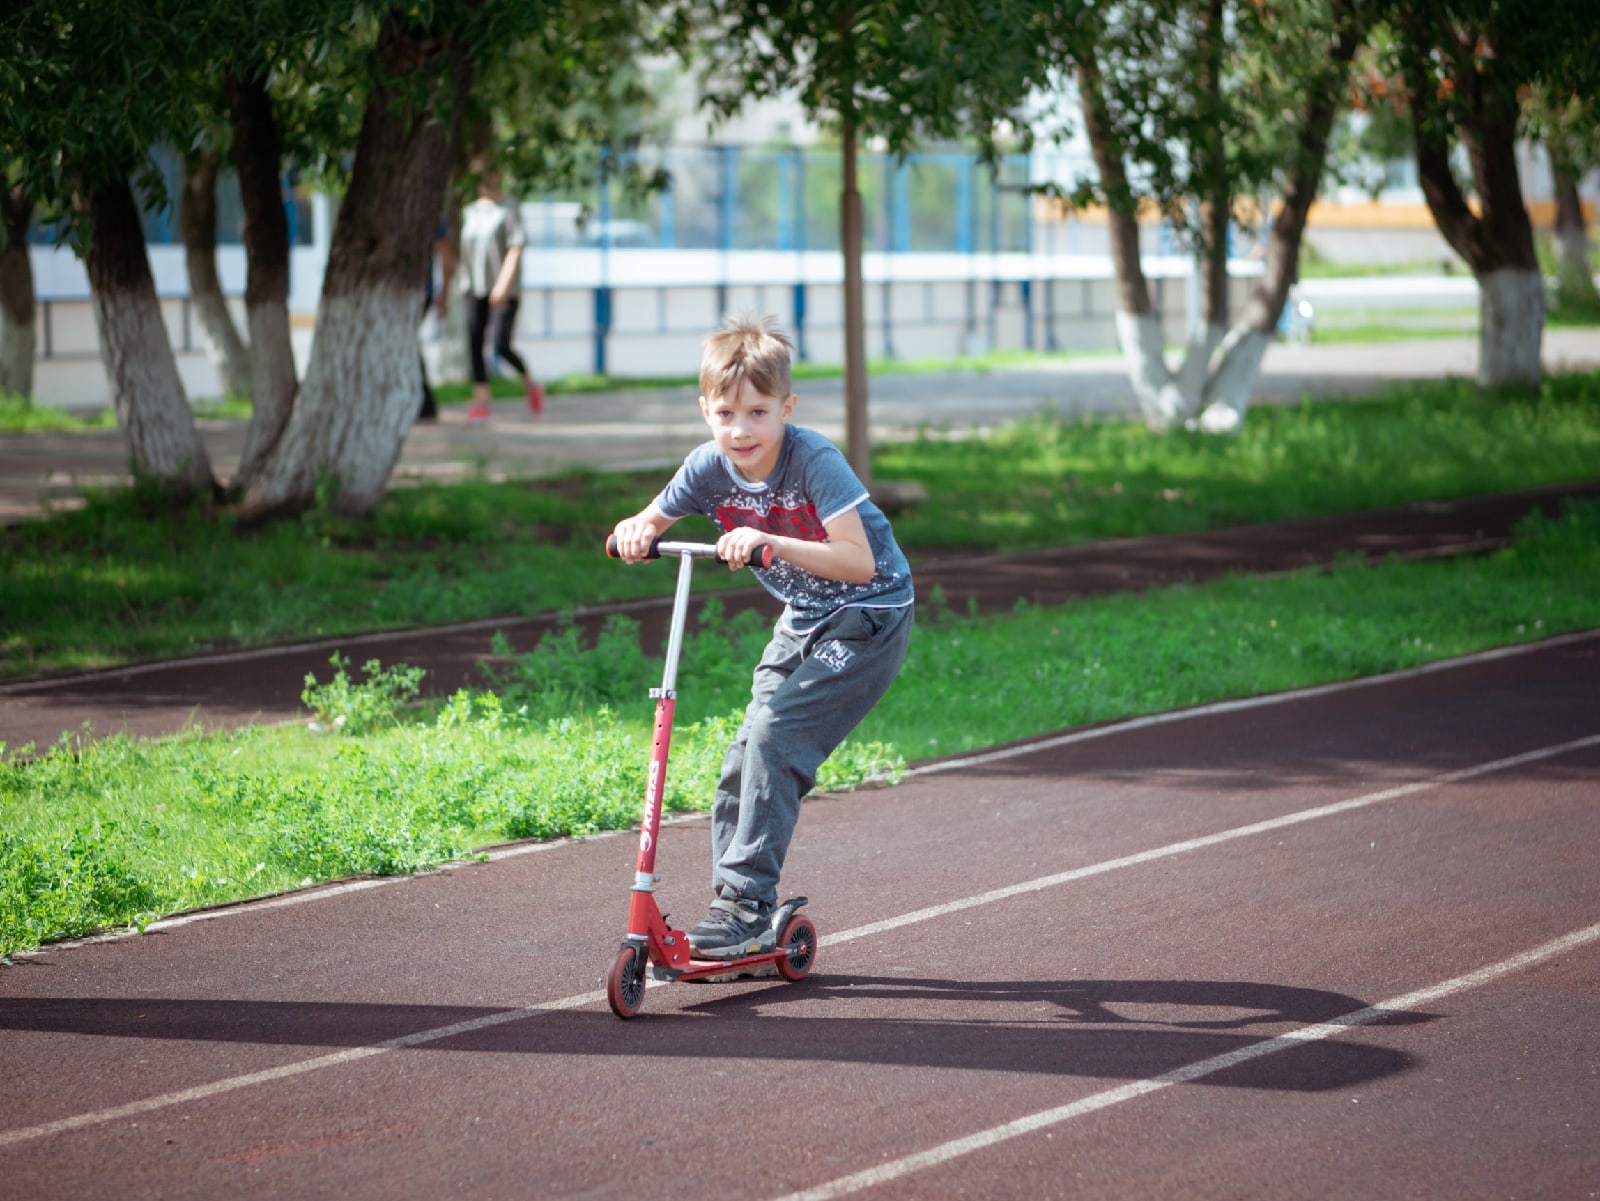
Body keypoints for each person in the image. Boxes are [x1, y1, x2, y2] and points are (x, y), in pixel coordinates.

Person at [609, 315, 914, 960]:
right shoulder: (706, 467)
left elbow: (859, 562)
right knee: (742, 756)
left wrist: (771, 542)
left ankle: (746, 900)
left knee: (777, 734)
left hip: (870, 614)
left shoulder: (815, 462)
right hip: (803, 618)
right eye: (725, 413)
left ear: (787, 408)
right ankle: (737, 912)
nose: (740, 430)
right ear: (705, 411)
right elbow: (652, 515)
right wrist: (637, 529)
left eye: (757, 412)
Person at [453, 160, 543, 423]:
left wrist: (503, 284)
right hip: (474, 286)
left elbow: (516, 247)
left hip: (504, 288)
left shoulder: (509, 209)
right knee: (475, 340)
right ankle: (481, 400)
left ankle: (530, 382)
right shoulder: (470, 211)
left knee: (502, 345)